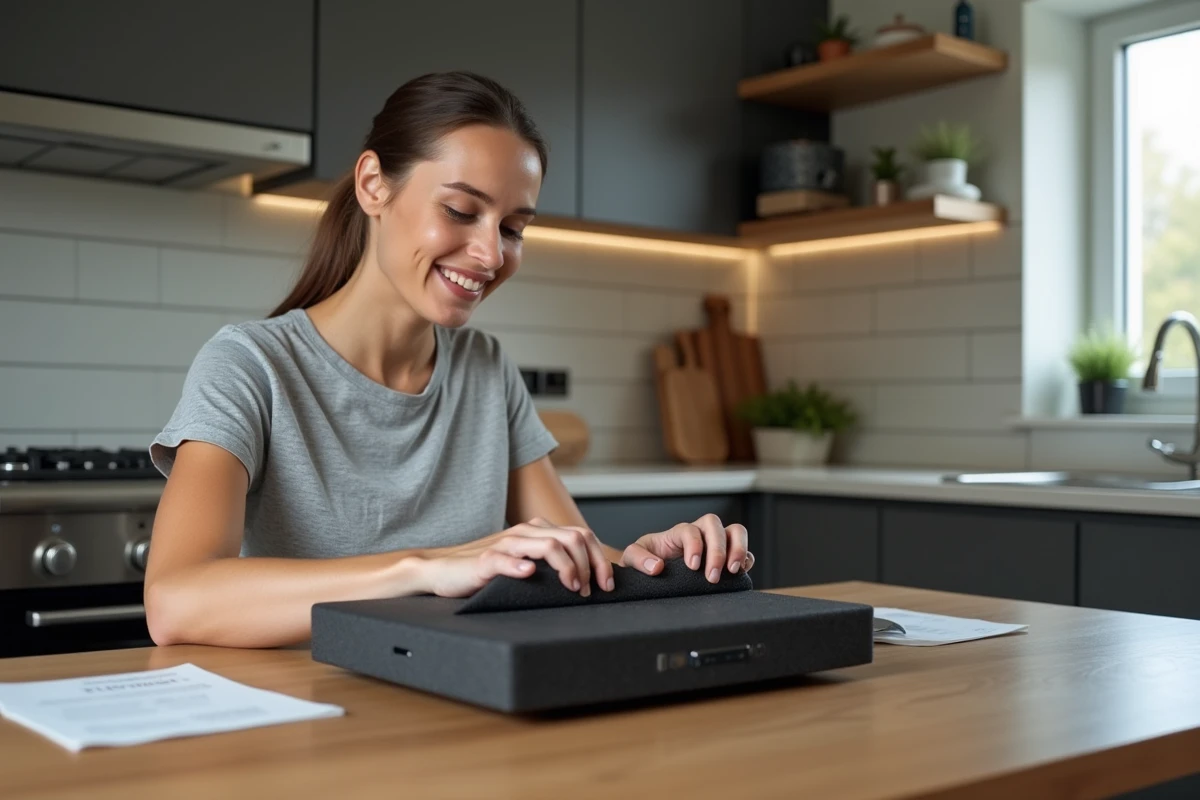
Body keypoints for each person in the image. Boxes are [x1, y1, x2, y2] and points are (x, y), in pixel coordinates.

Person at [143, 71, 753, 649]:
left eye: (513, 227)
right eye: (462, 211)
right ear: (372, 185)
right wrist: (427, 566)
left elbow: (577, 560)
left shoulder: (485, 370)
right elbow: (175, 600)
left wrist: (655, 562)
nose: (490, 254)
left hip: (459, 705)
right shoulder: (250, 367)